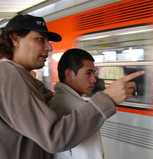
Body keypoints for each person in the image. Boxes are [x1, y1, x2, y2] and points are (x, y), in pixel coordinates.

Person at [0, 14, 143, 159]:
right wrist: (107, 99)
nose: (49, 47)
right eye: (40, 39)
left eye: (47, 41)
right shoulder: (9, 73)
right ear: (15, 39)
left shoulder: (24, 78)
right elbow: (54, 138)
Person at [49, 48, 105, 159]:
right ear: (69, 74)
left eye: (94, 73)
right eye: (88, 73)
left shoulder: (55, 101)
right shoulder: (79, 108)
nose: (94, 79)